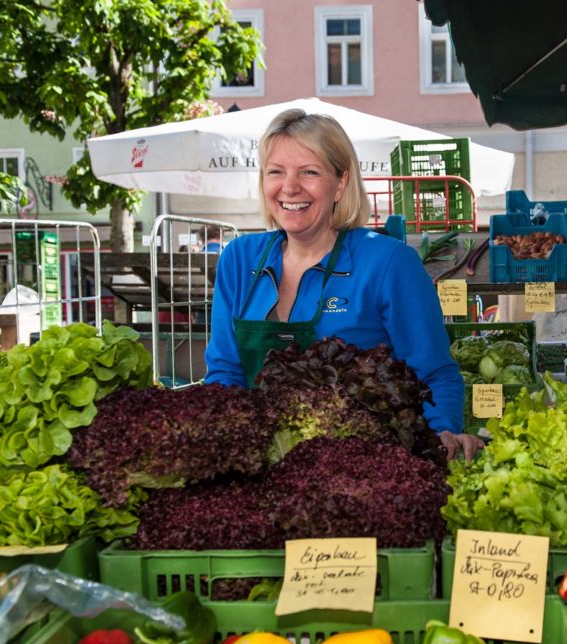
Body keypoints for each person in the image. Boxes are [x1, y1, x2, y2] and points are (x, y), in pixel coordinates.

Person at [204, 109, 482, 460]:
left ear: (340, 182)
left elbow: (434, 374)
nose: (289, 187)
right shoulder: (240, 259)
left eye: (309, 172)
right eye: (276, 172)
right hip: (262, 463)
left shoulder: (389, 263)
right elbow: (225, 372)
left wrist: (441, 432)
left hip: (363, 471)